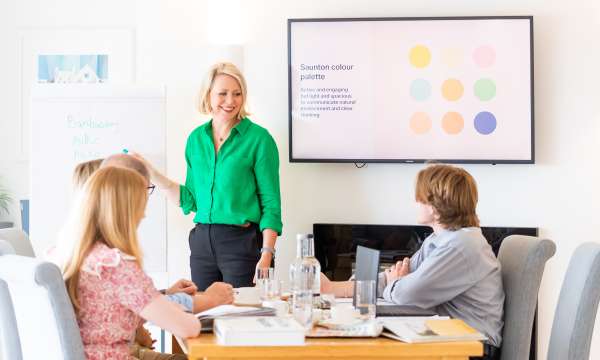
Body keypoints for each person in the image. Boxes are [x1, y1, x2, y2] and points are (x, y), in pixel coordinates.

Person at [320, 164, 504, 360]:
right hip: (450, 336)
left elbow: (407, 292)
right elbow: (394, 280)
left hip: (473, 348)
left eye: (421, 197)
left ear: (436, 206)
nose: (415, 201)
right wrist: (333, 288)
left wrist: (397, 283)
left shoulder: (462, 246)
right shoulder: (438, 240)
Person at [132, 62, 282, 289]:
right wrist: (151, 173)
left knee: (241, 316)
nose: (230, 101)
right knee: (203, 317)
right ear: (208, 95)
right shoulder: (196, 140)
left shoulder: (259, 140)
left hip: (242, 245)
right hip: (202, 244)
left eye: (237, 94)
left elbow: (271, 204)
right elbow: (191, 199)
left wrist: (267, 253)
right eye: (222, 93)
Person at [62, 166, 201, 359]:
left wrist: (165, 300)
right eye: (140, 207)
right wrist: (185, 308)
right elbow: (188, 328)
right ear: (125, 213)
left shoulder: (76, 254)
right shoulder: (115, 266)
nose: (143, 215)